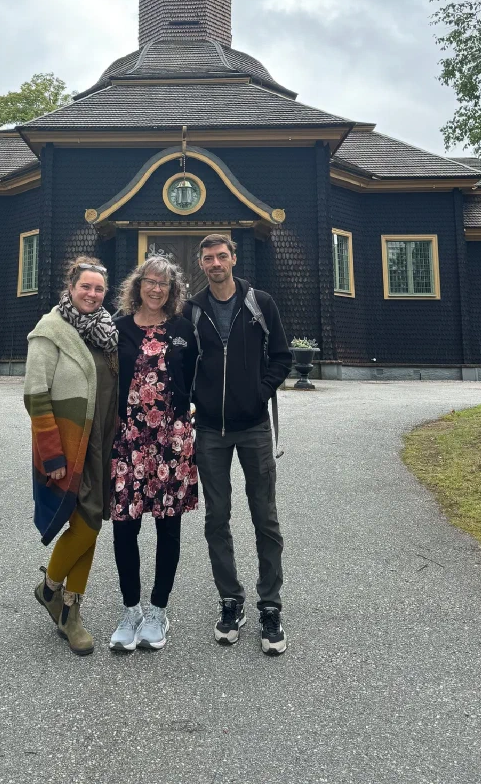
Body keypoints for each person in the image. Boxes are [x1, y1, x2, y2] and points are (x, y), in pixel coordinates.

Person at [182, 233, 292, 656]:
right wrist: (191, 402)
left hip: (253, 428)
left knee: (265, 517)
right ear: (202, 263)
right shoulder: (193, 311)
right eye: (208, 258)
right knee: (217, 518)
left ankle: (270, 606)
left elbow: (281, 357)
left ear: (233, 259)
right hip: (209, 430)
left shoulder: (260, 304)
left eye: (221, 256)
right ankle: (231, 601)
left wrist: (257, 394)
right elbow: (182, 362)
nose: (215, 263)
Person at [24, 256, 119, 656]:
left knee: (91, 521)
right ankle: (52, 589)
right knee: (86, 526)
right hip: (70, 445)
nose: (92, 294)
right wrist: (51, 454)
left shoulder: (106, 332)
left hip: (102, 443)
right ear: (71, 287)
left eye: (99, 289)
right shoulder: (50, 331)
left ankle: (70, 609)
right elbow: (35, 395)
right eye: (86, 287)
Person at [108, 255, 198, 653]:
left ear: (172, 289)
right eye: (150, 281)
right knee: (125, 524)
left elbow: (198, 372)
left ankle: (159, 609)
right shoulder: (118, 327)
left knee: (167, 525)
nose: (156, 288)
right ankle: (131, 610)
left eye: (164, 283)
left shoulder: (182, 329)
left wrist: (193, 408)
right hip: (127, 439)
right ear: (138, 284)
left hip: (171, 440)